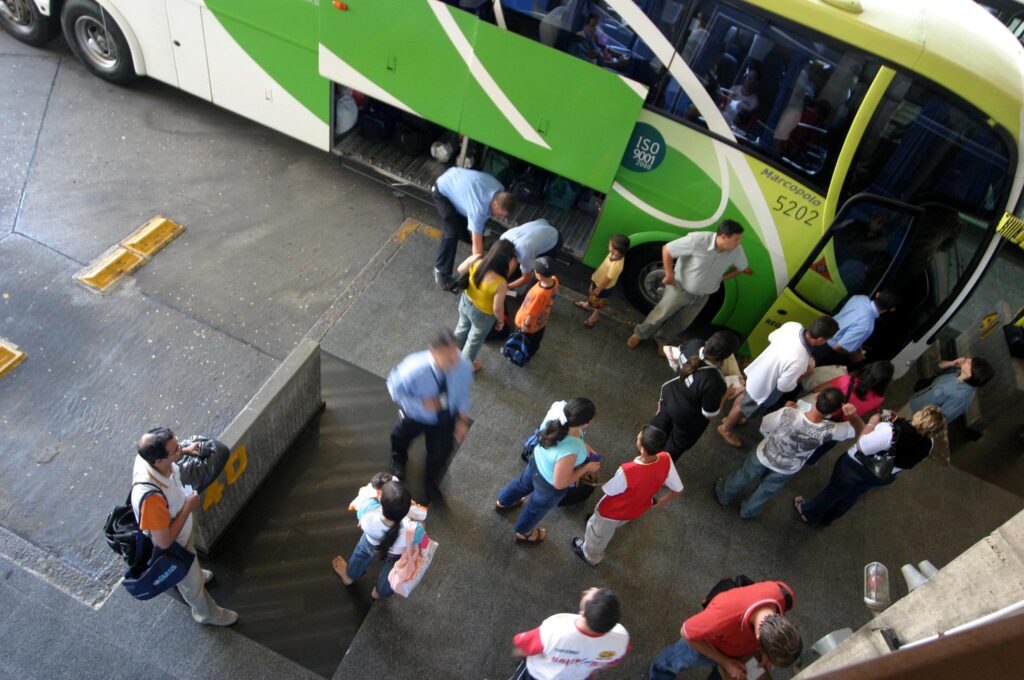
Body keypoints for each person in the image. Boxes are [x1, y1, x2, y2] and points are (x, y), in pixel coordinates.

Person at [131, 427, 238, 626]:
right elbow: (164, 542)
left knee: (192, 566)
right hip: (175, 543)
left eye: (178, 444)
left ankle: (193, 574)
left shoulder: (148, 456)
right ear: (159, 461)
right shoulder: (151, 499)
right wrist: (188, 508)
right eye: (175, 451)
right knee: (193, 585)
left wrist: (185, 451)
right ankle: (206, 614)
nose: (179, 449)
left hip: (182, 527)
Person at [716, 388, 864, 519]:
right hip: (788, 468)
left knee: (744, 475)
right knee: (766, 491)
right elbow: (860, 431)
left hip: (764, 454)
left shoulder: (788, 413)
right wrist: (853, 416)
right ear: (833, 412)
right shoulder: (830, 430)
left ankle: (724, 494)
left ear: (817, 397)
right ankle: (748, 511)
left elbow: (765, 426)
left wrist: (786, 409)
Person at [795, 406, 946, 526]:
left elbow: (862, 445)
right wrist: (889, 417)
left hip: (856, 466)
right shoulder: (929, 444)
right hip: (884, 475)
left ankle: (808, 513)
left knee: (835, 490)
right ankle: (828, 519)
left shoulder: (890, 431)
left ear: (920, 417)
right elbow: (907, 433)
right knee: (853, 493)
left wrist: (873, 422)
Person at [718, 316, 839, 448]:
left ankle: (731, 418)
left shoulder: (793, 325)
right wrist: (804, 373)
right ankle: (726, 428)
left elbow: (771, 337)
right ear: (821, 339)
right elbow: (784, 386)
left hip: (757, 370)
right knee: (743, 407)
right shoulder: (800, 361)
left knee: (744, 398)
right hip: (765, 387)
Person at [627, 221, 750, 350]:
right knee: (660, 314)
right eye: (736, 239)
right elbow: (667, 250)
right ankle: (639, 335)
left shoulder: (736, 250)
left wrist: (722, 278)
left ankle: (662, 340)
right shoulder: (697, 240)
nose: (739, 242)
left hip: (702, 296)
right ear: (724, 237)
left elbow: (742, 267)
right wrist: (669, 274)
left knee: (681, 323)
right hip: (680, 289)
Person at [572, 425, 682, 567]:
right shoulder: (666, 458)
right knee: (612, 525)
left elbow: (609, 491)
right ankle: (600, 528)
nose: (637, 436)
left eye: (639, 436)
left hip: (611, 513)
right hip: (636, 508)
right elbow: (678, 489)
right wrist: (660, 501)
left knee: (596, 536)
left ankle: (591, 556)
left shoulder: (627, 471)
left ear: (642, 448)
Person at [649, 579, 801, 680]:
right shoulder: (723, 615)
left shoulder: (784, 595)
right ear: (757, 636)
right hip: (709, 644)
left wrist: (765, 654)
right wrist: (725, 662)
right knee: (669, 662)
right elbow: (686, 633)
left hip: (741, 647)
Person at [496, 399, 601, 543]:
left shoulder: (559, 413)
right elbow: (559, 483)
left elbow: (565, 440)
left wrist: (582, 444)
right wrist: (586, 468)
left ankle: (503, 501)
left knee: (521, 485)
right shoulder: (571, 450)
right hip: (548, 486)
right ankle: (524, 532)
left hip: (535, 463)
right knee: (535, 508)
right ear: (586, 424)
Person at [387, 330, 473, 504]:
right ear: (433, 352)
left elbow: (462, 392)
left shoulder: (463, 365)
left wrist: (462, 420)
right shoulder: (414, 368)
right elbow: (394, 389)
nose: (454, 360)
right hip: (417, 415)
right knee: (401, 437)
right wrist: (420, 404)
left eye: (455, 352)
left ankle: (431, 483)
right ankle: (398, 458)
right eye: (447, 355)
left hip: (445, 417)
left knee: (440, 453)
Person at [651, 331, 742, 461]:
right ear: (726, 357)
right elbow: (709, 414)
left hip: (669, 397)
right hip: (686, 419)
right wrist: (726, 395)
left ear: (709, 340)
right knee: (674, 447)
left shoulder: (694, 344)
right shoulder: (714, 382)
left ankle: (646, 449)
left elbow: (680, 353)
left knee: (658, 428)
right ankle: (656, 468)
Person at [332, 478, 427, 600]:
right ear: (406, 510)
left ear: (380, 501)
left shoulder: (367, 511)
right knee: (392, 573)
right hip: (396, 554)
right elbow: (421, 529)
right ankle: (379, 592)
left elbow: (364, 498)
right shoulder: (413, 530)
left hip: (369, 543)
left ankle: (349, 576)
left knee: (361, 556)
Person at [511, 587, 630, 679]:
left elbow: (523, 644)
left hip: (539, 675)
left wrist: (519, 653)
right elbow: (611, 662)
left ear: (582, 613)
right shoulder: (622, 640)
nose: (592, 589)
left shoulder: (557, 628)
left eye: (591, 592)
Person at [432, 166, 517, 289]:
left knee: (472, 229)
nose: (499, 217)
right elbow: (477, 252)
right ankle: (440, 270)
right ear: (495, 203)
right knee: (451, 232)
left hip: (457, 181)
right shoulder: (479, 209)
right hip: (443, 191)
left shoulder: (499, 189)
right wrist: (482, 272)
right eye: (499, 213)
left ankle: (468, 236)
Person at [801, 361, 894, 466]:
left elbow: (817, 389)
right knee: (826, 444)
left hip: (825, 415)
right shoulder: (879, 399)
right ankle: (811, 460)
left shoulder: (847, 380)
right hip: (842, 424)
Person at [454, 239, 515, 370]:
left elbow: (460, 269)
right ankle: (464, 367)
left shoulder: (476, 259)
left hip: (466, 301)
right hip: (483, 315)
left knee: (461, 328)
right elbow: (497, 308)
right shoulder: (500, 282)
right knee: (473, 341)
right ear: (507, 261)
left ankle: (452, 356)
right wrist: (500, 322)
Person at [812, 290, 901, 367]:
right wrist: (854, 355)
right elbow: (838, 347)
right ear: (892, 309)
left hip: (818, 333)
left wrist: (856, 345)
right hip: (824, 351)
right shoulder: (867, 326)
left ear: (878, 294)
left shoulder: (860, 298)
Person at [908, 356, 994, 422]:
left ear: (971, 373)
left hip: (917, 416)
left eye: (970, 363)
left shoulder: (962, 397)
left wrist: (917, 423)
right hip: (915, 399)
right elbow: (937, 368)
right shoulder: (958, 372)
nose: (968, 359)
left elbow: (940, 419)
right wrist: (952, 363)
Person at [575, 234, 629, 328]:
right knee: (592, 295)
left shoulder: (616, 265)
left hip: (603, 288)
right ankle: (588, 305)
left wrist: (599, 289)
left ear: (616, 251)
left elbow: (608, 279)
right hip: (597, 280)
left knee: (599, 303)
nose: (608, 246)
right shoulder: (613, 254)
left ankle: (595, 316)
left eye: (610, 245)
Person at [514, 256, 559, 357]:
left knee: (526, 340)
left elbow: (532, 314)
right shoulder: (554, 280)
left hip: (530, 324)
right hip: (541, 321)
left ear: (538, 275)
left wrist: (525, 325)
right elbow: (555, 292)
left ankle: (524, 354)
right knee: (537, 338)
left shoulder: (539, 294)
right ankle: (532, 351)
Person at [501, 218, 561, 292]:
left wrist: (508, 287)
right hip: (541, 224)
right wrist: (504, 279)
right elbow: (515, 258)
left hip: (553, 238)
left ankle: (541, 289)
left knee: (541, 270)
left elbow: (526, 278)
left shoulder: (524, 251)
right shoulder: (503, 238)